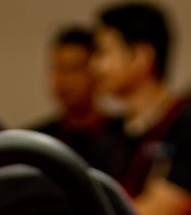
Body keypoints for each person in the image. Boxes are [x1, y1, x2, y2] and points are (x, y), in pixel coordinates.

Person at [90, 2, 191, 215]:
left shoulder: (187, 125)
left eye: (104, 53)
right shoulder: (110, 131)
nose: (95, 66)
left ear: (141, 57)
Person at [33, 24, 128, 175]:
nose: (64, 81)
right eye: (59, 69)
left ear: (95, 70)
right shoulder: (38, 141)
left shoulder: (124, 137)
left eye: (74, 69)